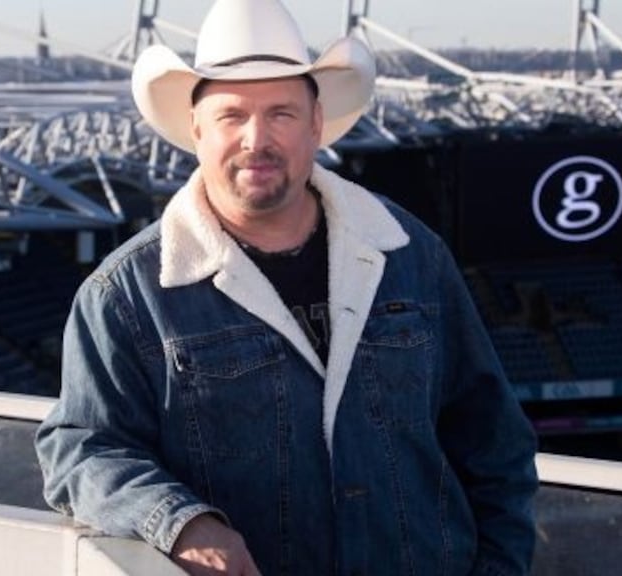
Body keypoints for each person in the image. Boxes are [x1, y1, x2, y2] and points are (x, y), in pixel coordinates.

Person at [35, 0, 539, 574]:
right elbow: (81, 450)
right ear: (196, 129)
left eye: (281, 113)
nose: (257, 139)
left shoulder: (410, 254)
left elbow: (494, 441)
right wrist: (180, 522)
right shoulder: (128, 295)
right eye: (231, 116)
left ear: (316, 125)